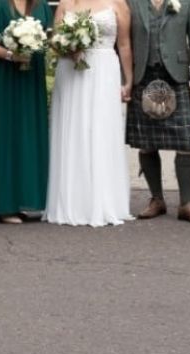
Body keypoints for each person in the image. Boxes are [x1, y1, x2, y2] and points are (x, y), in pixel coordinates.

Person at [43, 0, 134, 226]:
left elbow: (124, 44)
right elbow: (54, 40)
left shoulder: (118, 3)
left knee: (100, 131)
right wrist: (67, 47)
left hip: (103, 71)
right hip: (70, 70)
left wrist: (129, 80)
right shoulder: (66, 3)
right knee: (72, 132)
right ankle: (70, 200)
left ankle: (102, 200)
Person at [126, 0, 190, 224]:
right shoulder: (132, 3)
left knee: (186, 142)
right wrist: (124, 79)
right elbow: (122, 42)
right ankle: (157, 200)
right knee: (146, 143)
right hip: (142, 76)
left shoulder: (187, 2)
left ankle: (186, 203)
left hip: (176, 77)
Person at [0, 0, 52, 222]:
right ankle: (3, 205)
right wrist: (10, 54)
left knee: (27, 134)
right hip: (3, 75)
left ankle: (24, 198)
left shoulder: (41, 5)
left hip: (30, 77)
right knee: (4, 134)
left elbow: (47, 38)